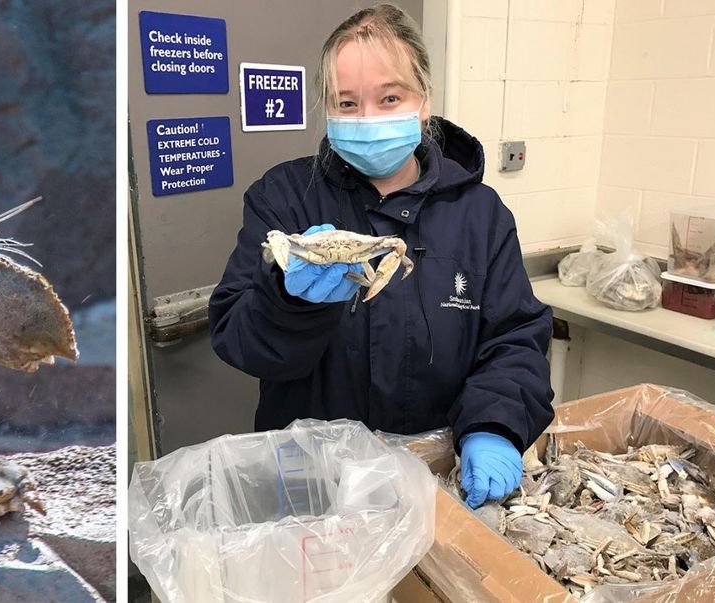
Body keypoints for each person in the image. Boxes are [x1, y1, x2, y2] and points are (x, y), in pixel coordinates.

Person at [208, 3, 553, 509]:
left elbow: (516, 338)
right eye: (347, 103)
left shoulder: (480, 214)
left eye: (389, 97)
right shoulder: (282, 198)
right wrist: (288, 299)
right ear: (327, 108)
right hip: (310, 480)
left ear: (423, 102)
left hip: (433, 472)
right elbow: (237, 339)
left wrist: (494, 423)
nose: (367, 118)